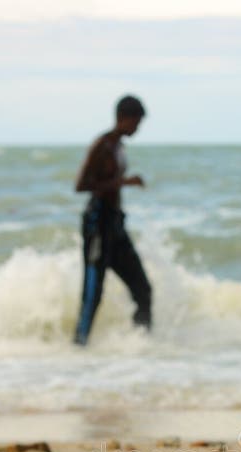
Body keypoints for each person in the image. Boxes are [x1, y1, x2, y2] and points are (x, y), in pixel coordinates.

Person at [73, 95, 151, 344]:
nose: (137, 128)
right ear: (123, 118)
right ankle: (79, 348)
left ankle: (144, 346)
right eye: (135, 123)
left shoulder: (119, 146)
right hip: (98, 224)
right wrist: (123, 182)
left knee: (143, 289)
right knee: (92, 295)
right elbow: (80, 185)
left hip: (116, 225)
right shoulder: (102, 145)